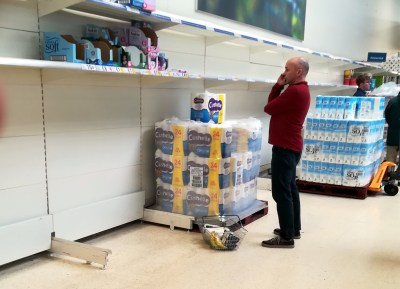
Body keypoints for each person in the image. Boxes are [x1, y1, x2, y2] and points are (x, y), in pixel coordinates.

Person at [262, 57, 310, 249]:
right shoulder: (301, 90)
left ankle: (286, 237)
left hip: (285, 148)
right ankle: (293, 229)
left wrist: (277, 86)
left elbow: (269, 108)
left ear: (298, 71)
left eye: (287, 69)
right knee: (290, 189)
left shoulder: (295, 92)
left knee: (281, 192)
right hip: (292, 146)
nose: (283, 73)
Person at [384, 92, 400, 165]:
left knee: (390, 160)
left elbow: (387, 115)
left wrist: (392, 124)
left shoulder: (392, 101)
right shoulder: (393, 101)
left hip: (392, 135)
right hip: (394, 134)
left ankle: (389, 174)